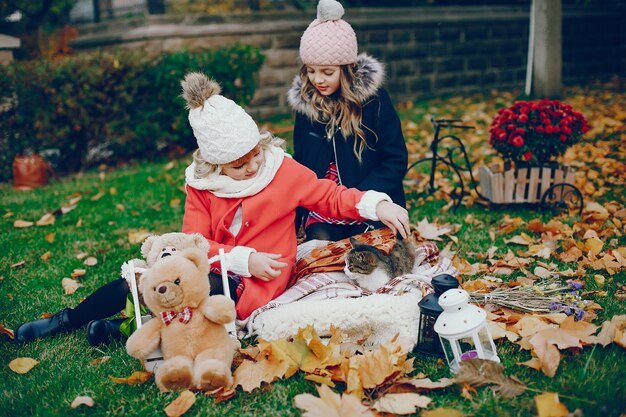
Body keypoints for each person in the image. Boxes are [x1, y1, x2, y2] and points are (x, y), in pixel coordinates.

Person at [13, 72, 410, 343]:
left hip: (257, 280)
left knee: (198, 301)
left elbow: (329, 195)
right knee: (148, 281)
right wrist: (240, 257)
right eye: (240, 165)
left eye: (256, 154)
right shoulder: (202, 185)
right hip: (223, 263)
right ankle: (66, 320)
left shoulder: (280, 170)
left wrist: (376, 203)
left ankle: (123, 333)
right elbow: (196, 242)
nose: (253, 166)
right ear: (217, 165)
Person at [288, 0, 408, 242]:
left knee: (367, 255)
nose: (317, 80)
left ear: (347, 68)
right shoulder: (307, 107)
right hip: (325, 206)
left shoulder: (374, 102)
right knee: (322, 251)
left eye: (327, 72)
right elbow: (302, 165)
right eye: (310, 71)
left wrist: (364, 198)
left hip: (371, 202)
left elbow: (395, 159)